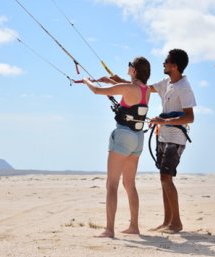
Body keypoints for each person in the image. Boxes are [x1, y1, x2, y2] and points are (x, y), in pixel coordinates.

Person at [82, 56, 151, 238]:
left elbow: (97, 91)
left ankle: (109, 229)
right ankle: (134, 226)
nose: (128, 68)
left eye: (130, 66)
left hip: (123, 136)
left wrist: (86, 80)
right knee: (129, 184)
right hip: (138, 138)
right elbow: (129, 92)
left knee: (111, 184)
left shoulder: (128, 88)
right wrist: (111, 81)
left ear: (134, 71)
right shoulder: (146, 90)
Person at [148, 49, 196, 234]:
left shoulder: (184, 86)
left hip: (176, 137)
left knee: (166, 177)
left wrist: (165, 121)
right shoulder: (166, 82)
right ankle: (167, 221)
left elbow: (190, 117)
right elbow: (145, 88)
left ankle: (176, 223)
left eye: (166, 61)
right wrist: (115, 81)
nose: (163, 63)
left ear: (174, 66)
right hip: (163, 135)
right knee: (163, 178)